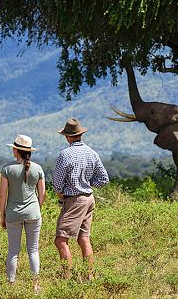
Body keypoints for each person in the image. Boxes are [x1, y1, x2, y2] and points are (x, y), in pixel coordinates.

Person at [53, 118, 109, 280]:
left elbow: (57, 183)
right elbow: (104, 179)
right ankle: (88, 276)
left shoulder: (65, 154)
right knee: (83, 238)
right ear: (80, 134)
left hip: (74, 200)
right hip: (89, 198)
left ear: (67, 136)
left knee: (60, 240)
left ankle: (67, 278)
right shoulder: (92, 152)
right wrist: (87, 183)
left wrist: (61, 192)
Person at [0, 135, 46, 293]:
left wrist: (2, 216)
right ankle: (35, 285)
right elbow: (42, 194)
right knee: (33, 250)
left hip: (13, 214)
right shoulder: (38, 169)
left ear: (15, 150)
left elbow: (2, 196)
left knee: (13, 251)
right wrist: (36, 208)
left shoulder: (7, 169)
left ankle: (11, 284)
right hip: (33, 213)